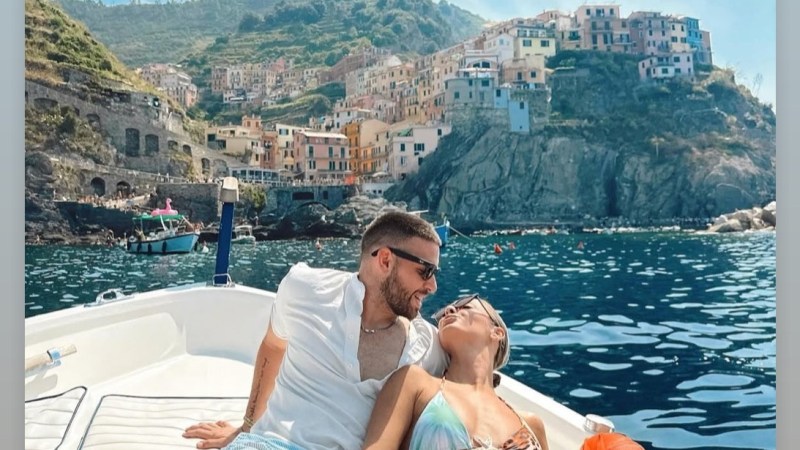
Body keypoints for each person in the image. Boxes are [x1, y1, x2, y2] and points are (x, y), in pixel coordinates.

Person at [183, 211, 446, 449]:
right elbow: (273, 346)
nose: (433, 286)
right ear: (386, 260)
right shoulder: (306, 289)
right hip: (267, 444)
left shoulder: (427, 344)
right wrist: (247, 427)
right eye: (425, 271)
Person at [363, 294, 548, 450]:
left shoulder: (531, 425)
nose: (449, 310)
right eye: (445, 312)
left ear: (497, 332)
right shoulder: (414, 383)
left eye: (464, 306)